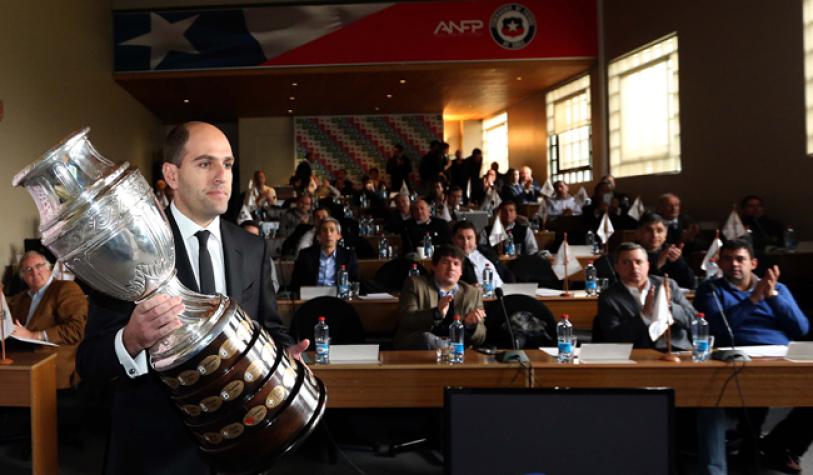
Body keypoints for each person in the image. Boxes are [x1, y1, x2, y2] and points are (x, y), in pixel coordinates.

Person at [76, 122, 306, 474]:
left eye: (227, 164)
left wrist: (282, 358)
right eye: (205, 163)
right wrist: (131, 340)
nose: (221, 176)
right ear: (171, 174)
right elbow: (90, 362)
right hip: (156, 453)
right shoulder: (128, 250)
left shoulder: (251, 247)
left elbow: (271, 328)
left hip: (241, 448)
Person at [694, 240, 810, 475]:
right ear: (719, 263)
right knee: (712, 404)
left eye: (740, 259)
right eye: (727, 259)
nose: (734, 264)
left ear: (753, 263)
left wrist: (773, 296)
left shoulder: (779, 288)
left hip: (780, 355)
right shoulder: (712, 290)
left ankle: (779, 445)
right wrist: (753, 300)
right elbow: (718, 329)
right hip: (735, 357)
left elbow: (802, 329)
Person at [6, 251, 87, 389]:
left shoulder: (65, 288)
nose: (35, 272)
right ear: (23, 276)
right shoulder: (20, 298)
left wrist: (34, 335)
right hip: (21, 363)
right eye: (28, 269)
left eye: (39, 266)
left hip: (52, 367)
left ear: (48, 268)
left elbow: (77, 330)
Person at [595, 242, 694, 351]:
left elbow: (694, 321)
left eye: (638, 262)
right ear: (616, 267)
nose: (634, 267)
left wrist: (669, 305)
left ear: (648, 265)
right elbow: (613, 338)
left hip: (678, 351)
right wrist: (644, 315)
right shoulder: (609, 297)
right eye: (626, 262)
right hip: (639, 355)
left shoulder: (668, 285)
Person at [395, 245, 486, 349]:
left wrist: (471, 326)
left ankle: (449, 349)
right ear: (433, 266)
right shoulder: (415, 284)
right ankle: (448, 349)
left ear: (461, 271)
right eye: (445, 262)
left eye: (456, 264)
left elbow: (481, 336)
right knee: (427, 338)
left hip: (458, 351)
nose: (451, 267)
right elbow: (405, 320)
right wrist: (436, 313)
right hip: (421, 346)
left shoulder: (472, 293)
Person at [290, 218, 359, 296]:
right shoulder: (305, 255)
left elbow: (354, 282)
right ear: (319, 236)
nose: (328, 234)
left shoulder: (348, 256)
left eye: (332, 230)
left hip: (339, 298)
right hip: (311, 298)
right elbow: (295, 282)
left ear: (339, 236)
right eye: (324, 230)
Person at [637, 213, 696, 289]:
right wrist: (658, 264)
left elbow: (690, 284)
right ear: (638, 233)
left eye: (659, 231)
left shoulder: (669, 251)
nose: (655, 235)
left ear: (666, 234)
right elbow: (640, 283)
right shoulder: (630, 252)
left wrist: (679, 261)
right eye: (649, 230)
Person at [452, 221, 512, 288]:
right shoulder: (451, 259)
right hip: (478, 296)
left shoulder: (487, 251)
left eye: (469, 238)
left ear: (476, 239)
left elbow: (505, 271)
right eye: (461, 238)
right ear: (453, 239)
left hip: (504, 290)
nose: (466, 242)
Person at [240, 220, 281, 293]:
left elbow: (275, 284)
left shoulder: (266, 258)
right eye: (247, 235)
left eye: (254, 236)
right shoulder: (232, 257)